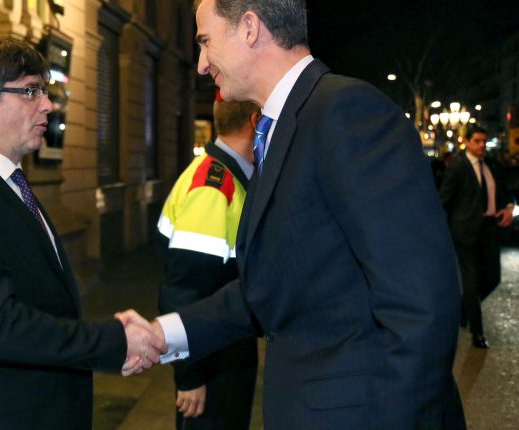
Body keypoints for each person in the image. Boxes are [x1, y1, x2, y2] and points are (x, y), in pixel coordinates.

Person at [119, 1, 467, 428]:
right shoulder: (283, 127)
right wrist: (163, 334)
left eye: (205, 42)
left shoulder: (344, 112)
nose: (201, 65)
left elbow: (422, 304)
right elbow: (275, 284)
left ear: (249, 27)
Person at [0, 38, 165, 429]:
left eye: (45, 91)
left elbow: (41, 299)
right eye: (31, 91)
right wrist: (112, 341)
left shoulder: (10, 181)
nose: (48, 104)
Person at [157, 97, 259, 429]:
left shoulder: (231, 178)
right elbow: (182, 293)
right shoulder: (214, 187)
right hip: (213, 367)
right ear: (255, 121)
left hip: (226, 355)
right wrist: (188, 376)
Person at [439, 126, 513, 349]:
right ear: (467, 142)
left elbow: (504, 191)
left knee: (493, 277)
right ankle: (477, 333)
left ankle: (465, 307)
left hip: (489, 228)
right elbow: (444, 199)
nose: (481, 145)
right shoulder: (458, 166)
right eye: (477, 141)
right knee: (471, 280)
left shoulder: (491, 165)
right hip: (465, 231)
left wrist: (509, 207)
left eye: (484, 141)